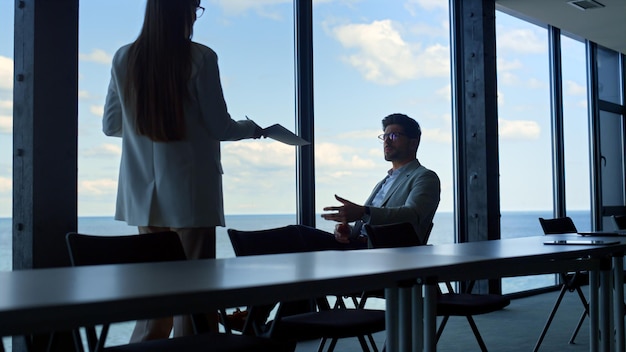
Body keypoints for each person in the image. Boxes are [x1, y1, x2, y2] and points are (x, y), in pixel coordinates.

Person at [102, 0, 262, 342]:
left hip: (143, 194)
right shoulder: (201, 57)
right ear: (183, 11)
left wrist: (143, 131)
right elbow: (220, 127)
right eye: (196, 7)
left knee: (157, 293)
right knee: (195, 295)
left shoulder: (123, 57)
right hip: (191, 194)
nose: (195, 14)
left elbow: (111, 125)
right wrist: (255, 128)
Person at [321, 113, 440, 246]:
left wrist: (363, 212)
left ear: (413, 143)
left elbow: (411, 215)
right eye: (384, 136)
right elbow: (370, 220)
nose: (387, 141)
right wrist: (348, 230)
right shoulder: (383, 182)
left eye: (394, 136)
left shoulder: (425, 177)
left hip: (384, 253)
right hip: (356, 245)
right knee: (296, 233)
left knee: (297, 234)